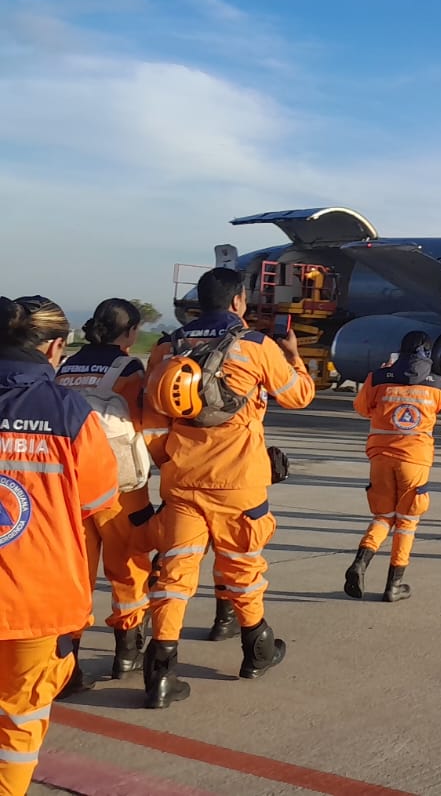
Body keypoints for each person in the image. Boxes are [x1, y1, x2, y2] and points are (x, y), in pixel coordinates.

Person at [142, 267, 316, 709]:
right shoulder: (256, 346)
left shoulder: (167, 347)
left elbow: (153, 423)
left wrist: (173, 465)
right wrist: (293, 356)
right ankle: (256, 648)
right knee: (243, 565)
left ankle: (160, 668)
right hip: (239, 479)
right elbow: (299, 396)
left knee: (175, 571)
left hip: (182, 480)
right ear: (239, 301)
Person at [0, 295, 121, 794]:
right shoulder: (69, 411)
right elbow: (99, 499)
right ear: (53, 347)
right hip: (36, 597)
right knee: (20, 720)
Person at [55, 299, 157, 686]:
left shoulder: (67, 365)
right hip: (120, 487)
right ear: (130, 332)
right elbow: (142, 421)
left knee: (77, 574)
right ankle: (126, 652)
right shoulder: (128, 367)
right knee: (128, 568)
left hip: (71, 486)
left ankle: (68, 663)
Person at [344, 331, 441, 603]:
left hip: (380, 456)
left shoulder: (377, 378)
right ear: (428, 353)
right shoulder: (439, 385)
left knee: (383, 516)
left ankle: (360, 562)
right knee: (407, 522)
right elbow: (435, 410)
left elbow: (361, 408)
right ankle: (395, 584)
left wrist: (385, 377)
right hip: (415, 459)